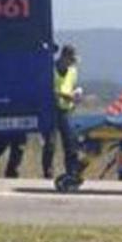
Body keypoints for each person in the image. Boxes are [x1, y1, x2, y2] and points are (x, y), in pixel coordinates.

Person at [41, 44, 82, 179]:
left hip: (66, 109)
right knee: (50, 143)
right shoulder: (49, 69)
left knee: (70, 143)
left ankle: (71, 172)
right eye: (70, 60)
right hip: (51, 108)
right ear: (63, 57)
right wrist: (62, 95)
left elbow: (72, 86)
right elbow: (45, 89)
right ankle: (48, 172)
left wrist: (76, 95)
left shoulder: (73, 71)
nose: (72, 63)